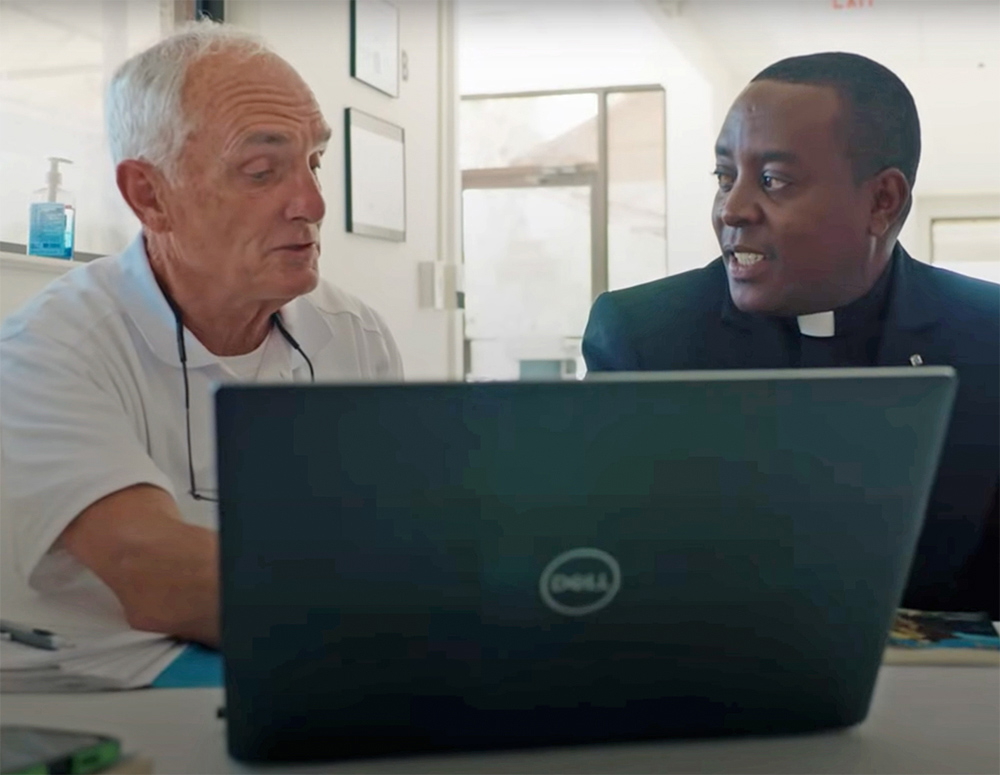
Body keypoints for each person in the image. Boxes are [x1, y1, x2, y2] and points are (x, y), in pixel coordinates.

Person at [0, 21, 403, 647]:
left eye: (315, 161)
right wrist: (429, 608)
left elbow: (395, 529)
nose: (313, 204)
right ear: (150, 195)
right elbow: (159, 577)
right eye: (262, 171)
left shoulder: (354, 335)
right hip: (108, 695)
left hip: (312, 665)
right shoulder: (48, 348)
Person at [582, 52, 999, 618]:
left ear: (883, 201)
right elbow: (594, 569)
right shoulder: (643, 339)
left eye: (773, 181)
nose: (732, 208)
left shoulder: (987, 337)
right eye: (725, 177)